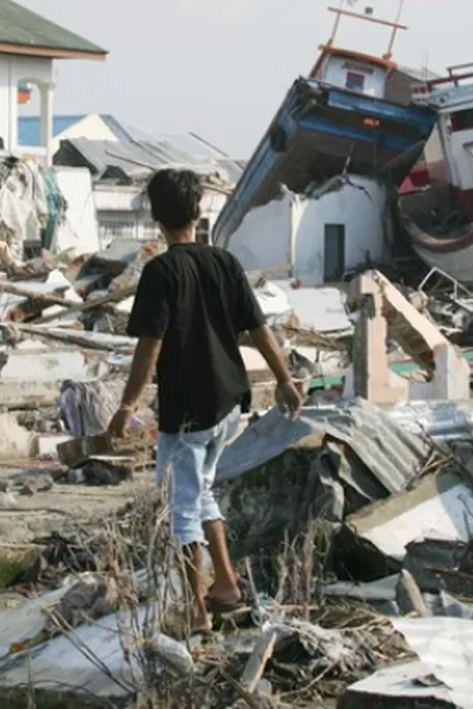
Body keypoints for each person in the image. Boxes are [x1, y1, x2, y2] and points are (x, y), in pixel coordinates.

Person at [107, 168, 304, 635]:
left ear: (156, 218)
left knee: (182, 508)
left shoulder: (161, 272)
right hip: (229, 402)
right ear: (199, 213)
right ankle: (228, 586)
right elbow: (259, 329)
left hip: (189, 410)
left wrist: (127, 407)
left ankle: (196, 609)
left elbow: (149, 347)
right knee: (203, 492)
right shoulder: (225, 262)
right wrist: (284, 380)